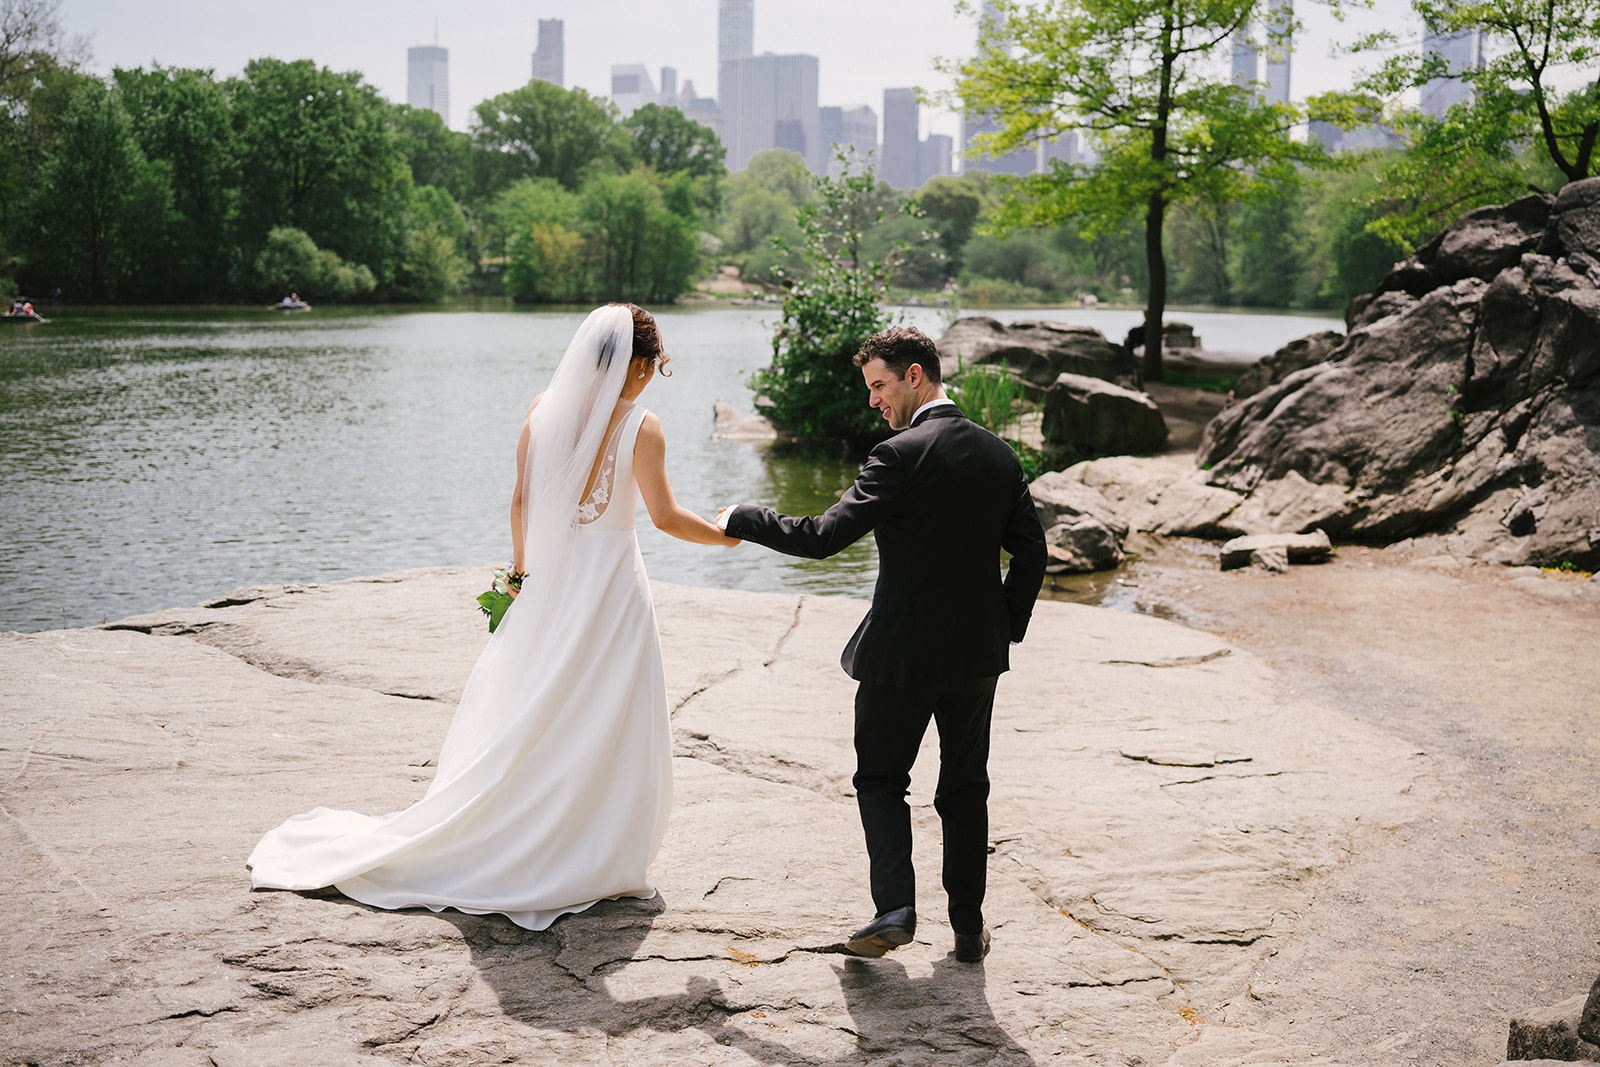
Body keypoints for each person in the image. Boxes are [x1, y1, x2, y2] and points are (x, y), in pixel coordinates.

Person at [248, 303, 740, 929]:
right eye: (654, 366)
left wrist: (519, 578)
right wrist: (728, 536)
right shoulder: (642, 426)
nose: (650, 378)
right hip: (612, 590)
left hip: (549, 583)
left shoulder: (543, 410)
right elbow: (667, 519)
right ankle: (594, 851)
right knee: (606, 712)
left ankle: (524, 832)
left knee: (537, 707)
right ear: (639, 365)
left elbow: (522, 501)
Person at [716, 326, 1047, 963]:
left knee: (879, 780)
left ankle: (895, 908)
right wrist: (1002, 626)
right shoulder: (1000, 455)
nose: (874, 401)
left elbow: (820, 538)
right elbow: (1032, 553)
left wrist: (743, 518)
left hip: (900, 656)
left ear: (915, 375)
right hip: (977, 659)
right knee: (964, 789)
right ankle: (968, 929)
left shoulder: (897, 455)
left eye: (879, 386)